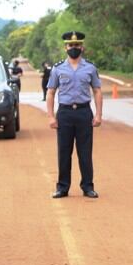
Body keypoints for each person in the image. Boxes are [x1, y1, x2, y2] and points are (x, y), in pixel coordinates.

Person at [46, 31, 103, 199]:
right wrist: (50, 116)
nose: (74, 48)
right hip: (64, 113)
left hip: (84, 112)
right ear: (65, 48)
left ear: (82, 47)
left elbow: (97, 91)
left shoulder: (90, 68)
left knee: (85, 152)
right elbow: (50, 92)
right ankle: (62, 187)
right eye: (71, 45)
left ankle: (88, 186)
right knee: (64, 152)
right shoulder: (58, 69)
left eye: (77, 45)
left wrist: (99, 114)